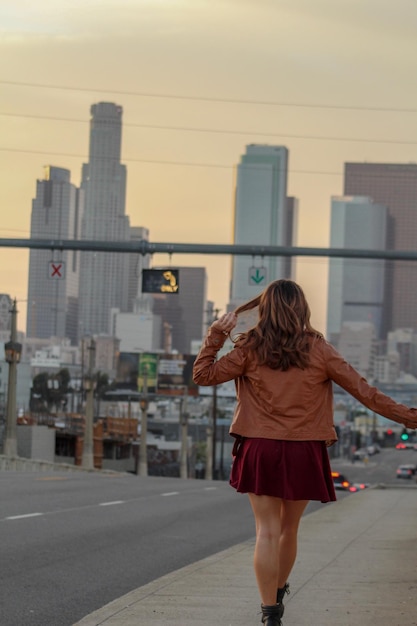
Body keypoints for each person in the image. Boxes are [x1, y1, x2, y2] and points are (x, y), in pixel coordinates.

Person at [193, 279, 417, 626]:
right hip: (303, 450)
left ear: (264, 310)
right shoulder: (320, 350)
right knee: (288, 530)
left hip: (260, 448)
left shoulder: (250, 349)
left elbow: (203, 375)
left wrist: (216, 335)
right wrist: (410, 418)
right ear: (302, 309)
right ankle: (278, 593)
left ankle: (270, 613)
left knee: (265, 532)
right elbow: (366, 393)